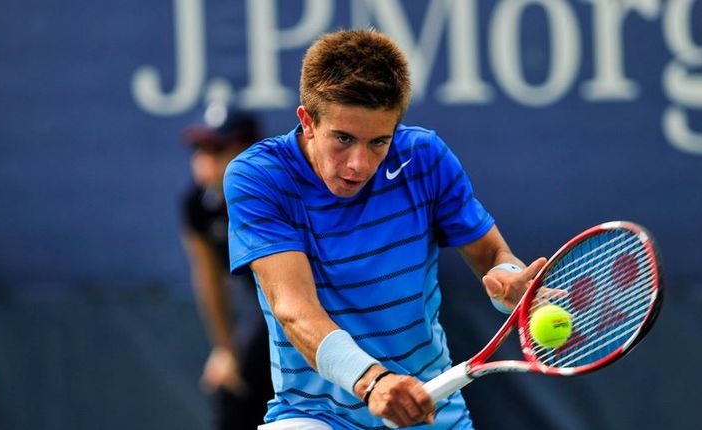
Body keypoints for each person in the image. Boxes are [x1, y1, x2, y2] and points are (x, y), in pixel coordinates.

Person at [224, 29, 546, 429]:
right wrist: (373, 382)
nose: (359, 163)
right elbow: (294, 310)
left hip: (430, 410)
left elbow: (495, 257)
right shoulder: (259, 177)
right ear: (307, 121)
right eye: (343, 138)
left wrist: (510, 282)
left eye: (379, 141)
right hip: (315, 415)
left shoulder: (425, 157)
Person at [179, 105, 274, 430]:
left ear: (250, 151)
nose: (206, 160)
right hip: (271, 311)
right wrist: (225, 350)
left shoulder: (281, 194)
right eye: (200, 149)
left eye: (218, 149)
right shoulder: (197, 205)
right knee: (231, 385)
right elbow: (208, 280)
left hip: (320, 310)